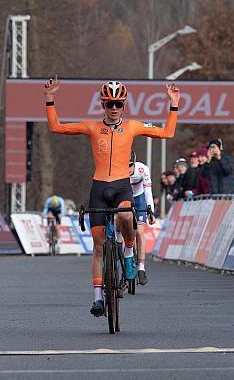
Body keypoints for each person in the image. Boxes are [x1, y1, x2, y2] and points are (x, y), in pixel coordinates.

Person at [44, 77, 180, 317]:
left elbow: (167, 133)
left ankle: (129, 253)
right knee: (98, 248)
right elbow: (56, 127)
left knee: (127, 218)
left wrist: (174, 105)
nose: (114, 108)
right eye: (109, 103)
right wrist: (50, 99)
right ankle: (97, 298)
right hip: (99, 187)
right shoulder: (91, 127)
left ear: (124, 105)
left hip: (121, 186)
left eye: (118, 103)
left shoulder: (133, 126)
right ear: (102, 104)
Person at [128, 151, 154, 286]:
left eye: (130, 165)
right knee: (120, 231)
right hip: (124, 199)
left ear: (135, 162)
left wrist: (151, 211)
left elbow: (148, 191)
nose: (128, 169)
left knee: (139, 232)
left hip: (139, 200)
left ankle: (141, 268)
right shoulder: (117, 169)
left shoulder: (142, 169)